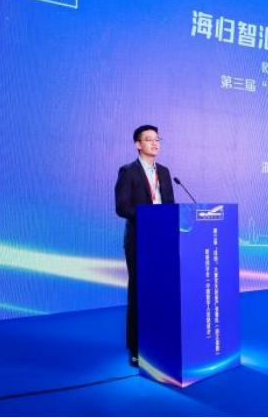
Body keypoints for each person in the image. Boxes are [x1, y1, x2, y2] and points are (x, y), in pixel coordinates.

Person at [115, 125, 175, 366]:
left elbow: (170, 206)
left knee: (161, 290)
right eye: (149, 139)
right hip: (138, 240)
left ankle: (159, 339)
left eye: (157, 139)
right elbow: (122, 208)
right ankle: (136, 347)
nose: (155, 143)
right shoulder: (128, 171)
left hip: (162, 240)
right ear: (138, 144)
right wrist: (149, 216)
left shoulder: (165, 172)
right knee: (139, 291)